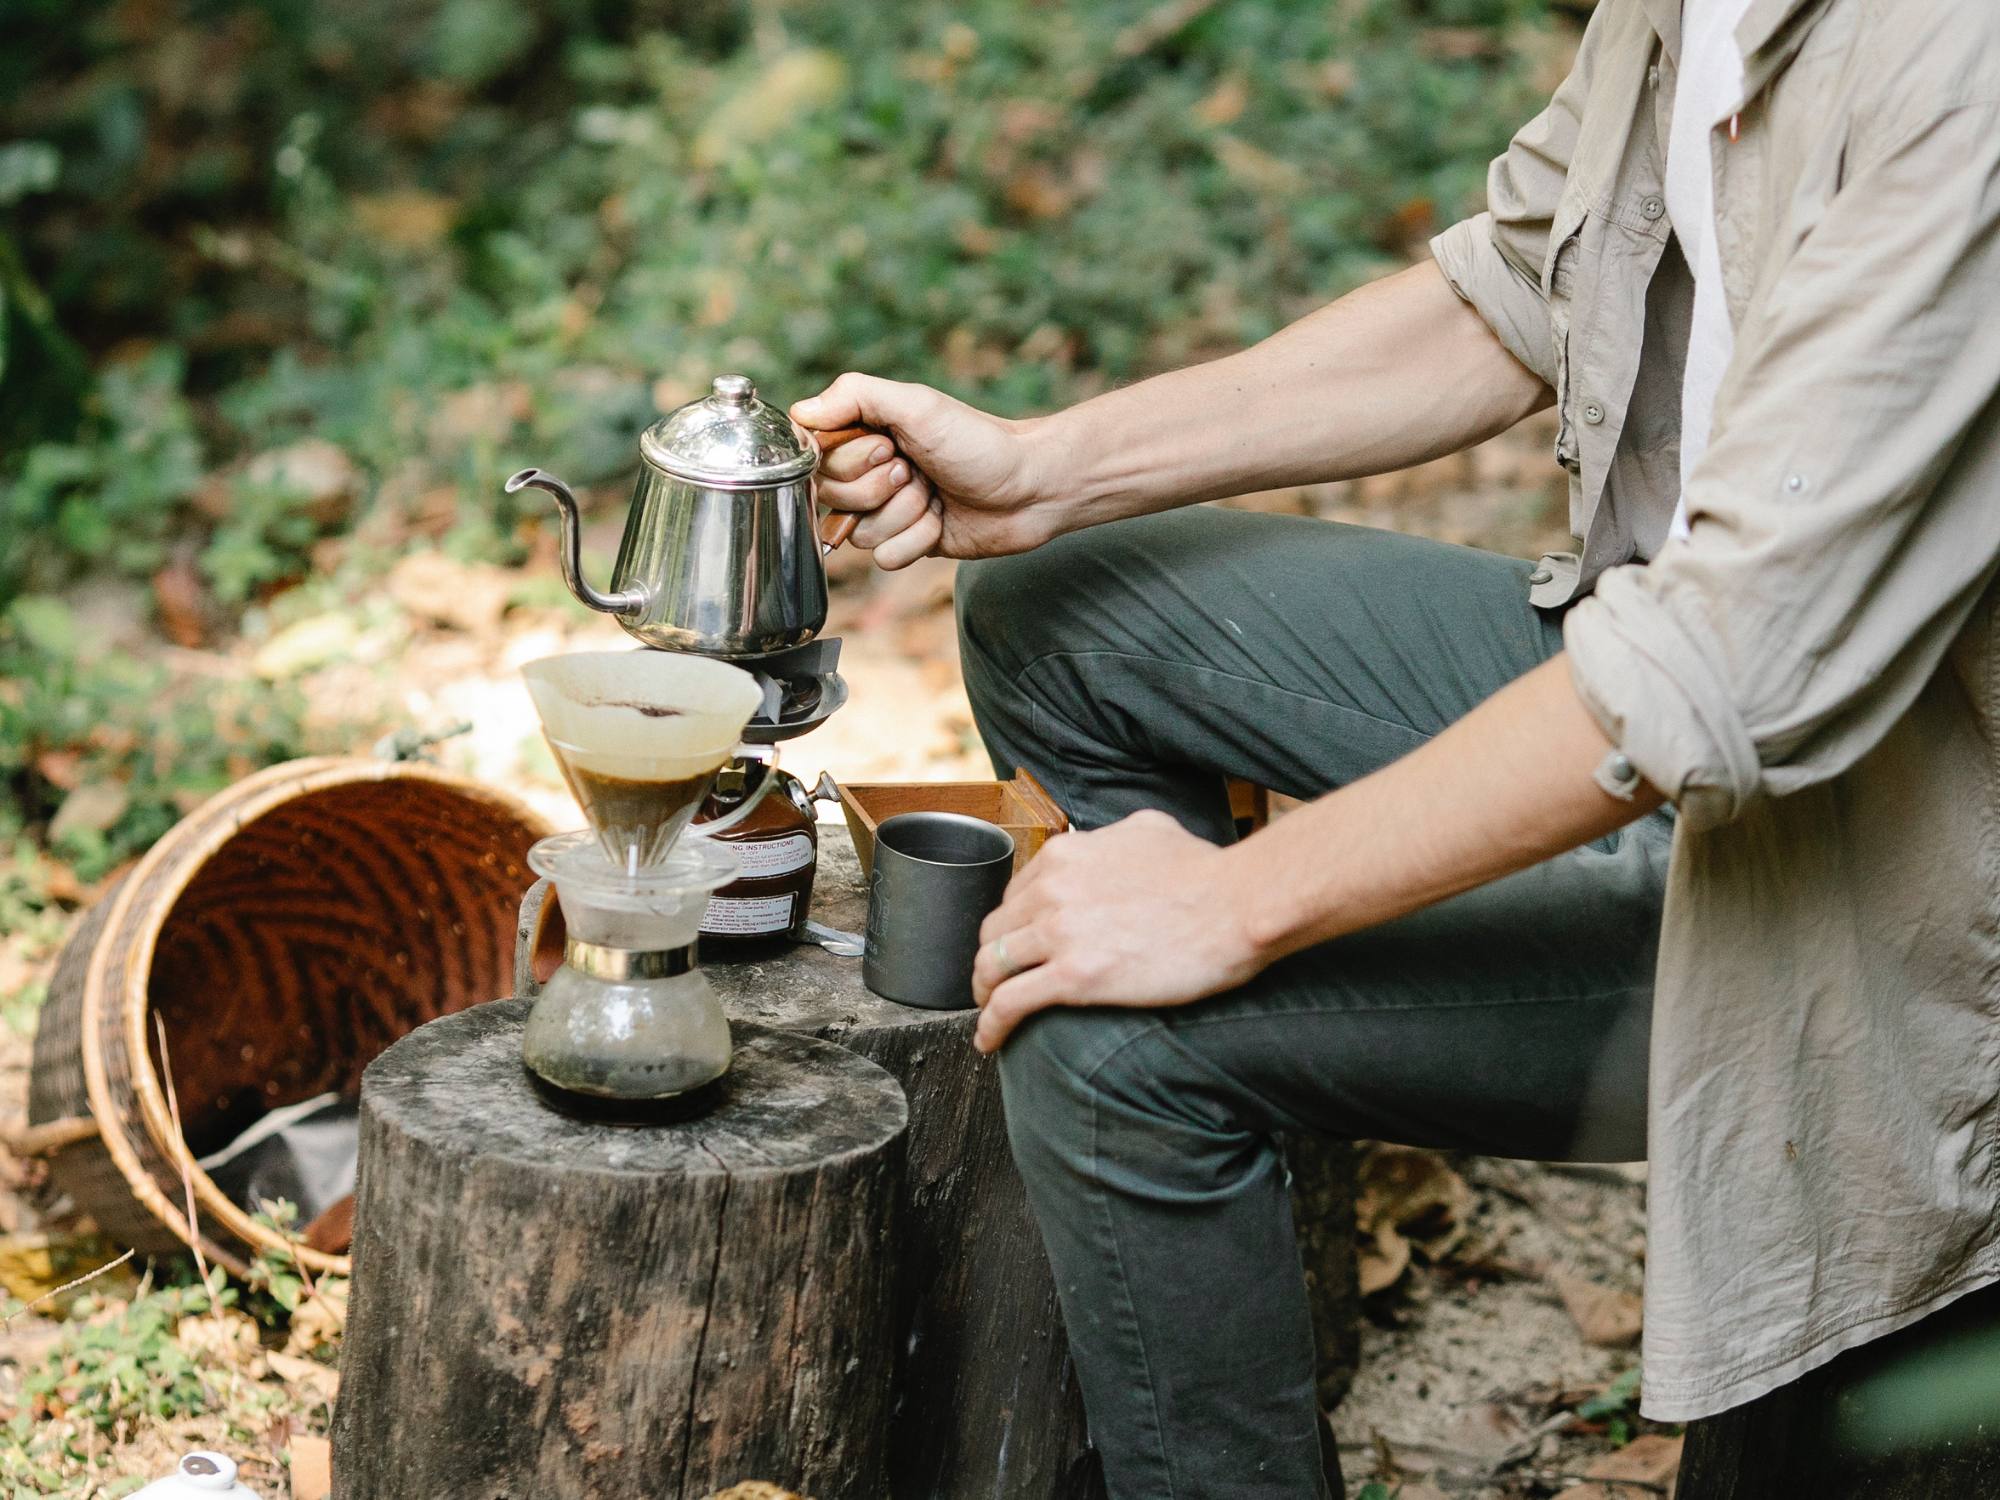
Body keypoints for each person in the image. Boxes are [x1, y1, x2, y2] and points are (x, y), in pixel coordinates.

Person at [792, 0, 2000, 1493]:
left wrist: (1226, 905)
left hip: (1896, 882)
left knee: (1110, 1031)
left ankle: (1181, 1106)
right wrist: (1048, 470)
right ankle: (1185, 1287)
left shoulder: (1960, 60)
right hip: (1677, 686)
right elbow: (1516, 286)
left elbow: (1729, 663)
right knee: (1063, 605)